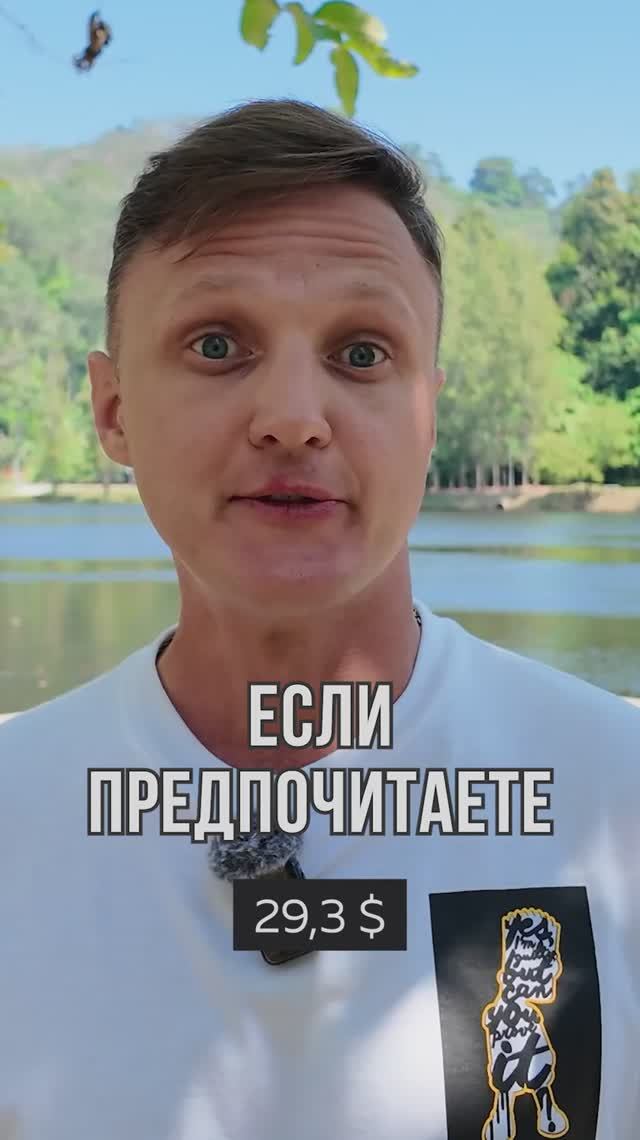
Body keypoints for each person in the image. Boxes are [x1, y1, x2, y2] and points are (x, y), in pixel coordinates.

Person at [0, 97, 638, 1140]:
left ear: (429, 410)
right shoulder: (15, 819)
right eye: (217, 344)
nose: (293, 419)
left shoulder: (616, 802)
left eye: (362, 353)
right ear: (112, 410)